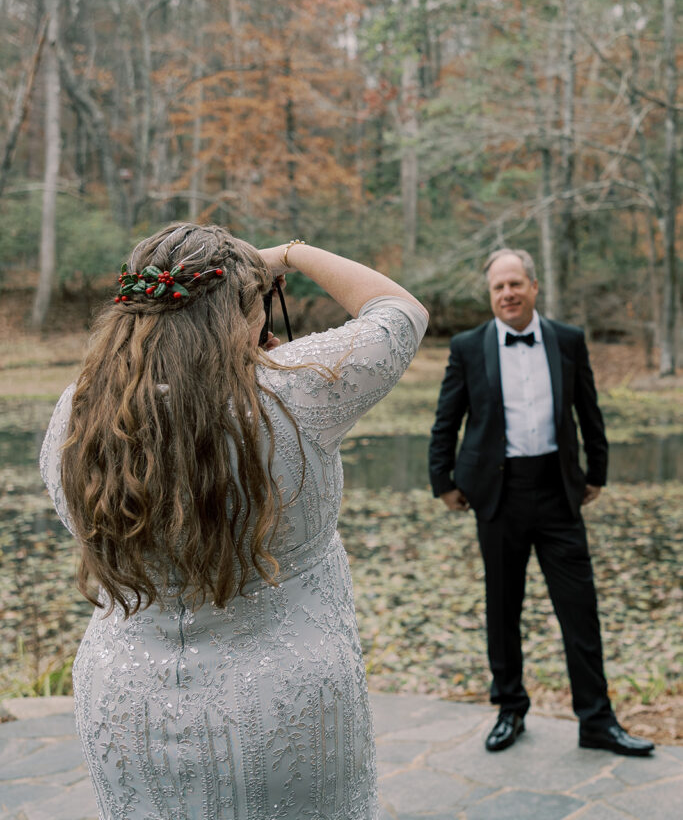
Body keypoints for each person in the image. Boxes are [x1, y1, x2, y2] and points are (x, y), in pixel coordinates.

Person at [40, 223, 428, 820]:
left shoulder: (78, 412)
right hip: (284, 703)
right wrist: (289, 254)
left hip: (125, 698)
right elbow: (399, 310)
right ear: (240, 312)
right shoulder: (294, 392)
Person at [428, 248, 654, 757]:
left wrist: (597, 471)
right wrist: (441, 479)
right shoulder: (468, 346)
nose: (506, 294)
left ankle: (596, 719)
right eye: (497, 288)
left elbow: (588, 410)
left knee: (580, 609)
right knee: (503, 608)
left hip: (557, 490)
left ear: (534, 287)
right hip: (497, 494)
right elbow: (448, 419)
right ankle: (510, 709)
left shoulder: (568, 340)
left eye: (515, 284)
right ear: (491, 296)